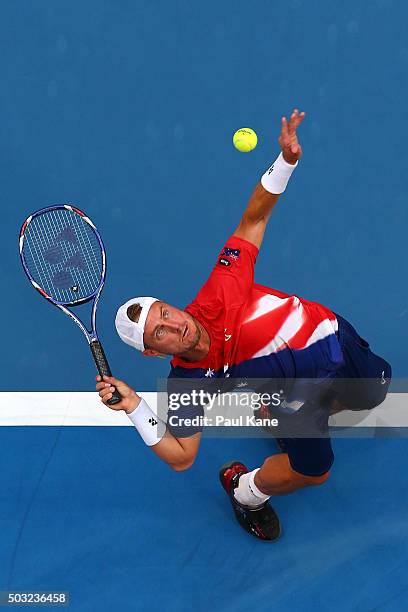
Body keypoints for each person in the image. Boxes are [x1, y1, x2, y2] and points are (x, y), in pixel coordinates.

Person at [96, 109, 391, 541]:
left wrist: (286, 161)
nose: (173, 324)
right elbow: (181, 457)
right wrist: (134, 406)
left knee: (376, 389)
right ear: (154, 352)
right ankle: (245, 489)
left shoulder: (222, 288)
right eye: (158, 332)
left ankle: (287, 412)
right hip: (294, 400)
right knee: (316, 473)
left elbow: (253, 218)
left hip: (333, 339)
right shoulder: (188, 383)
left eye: (165, 312)